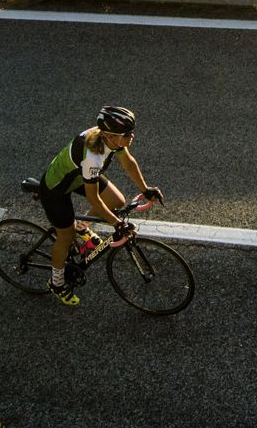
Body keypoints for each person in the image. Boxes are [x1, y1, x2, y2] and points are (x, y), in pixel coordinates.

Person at [36, 105, 163, 306]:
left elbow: (128, 163)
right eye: (127, 133)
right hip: (56, 189)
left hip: (78, 177)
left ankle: (81, 228)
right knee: (65, 237)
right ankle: (57, 282)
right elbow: (94, 199)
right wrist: (117, 223)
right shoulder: (92, 159)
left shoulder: (111, 140)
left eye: (131, 131)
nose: (132, 136)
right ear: (110, 136)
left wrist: (146, 189)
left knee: (117, 201)